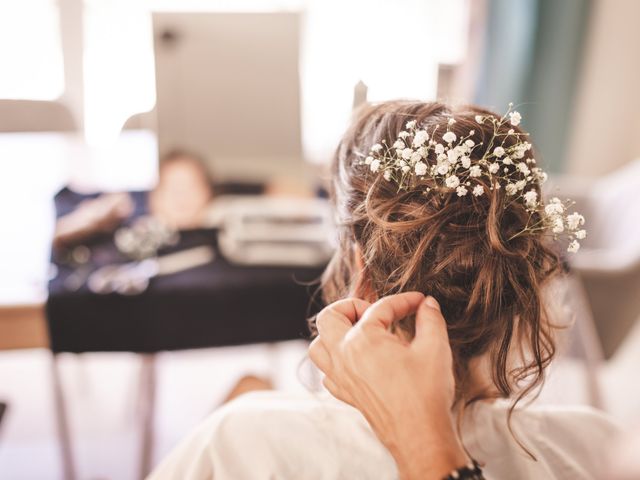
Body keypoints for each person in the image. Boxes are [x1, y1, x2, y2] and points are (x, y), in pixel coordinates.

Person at [148, 101, 618, 480]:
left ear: (362, 273)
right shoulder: (595, 449)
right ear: (522, 281)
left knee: (249, 390)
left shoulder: (239, 443)